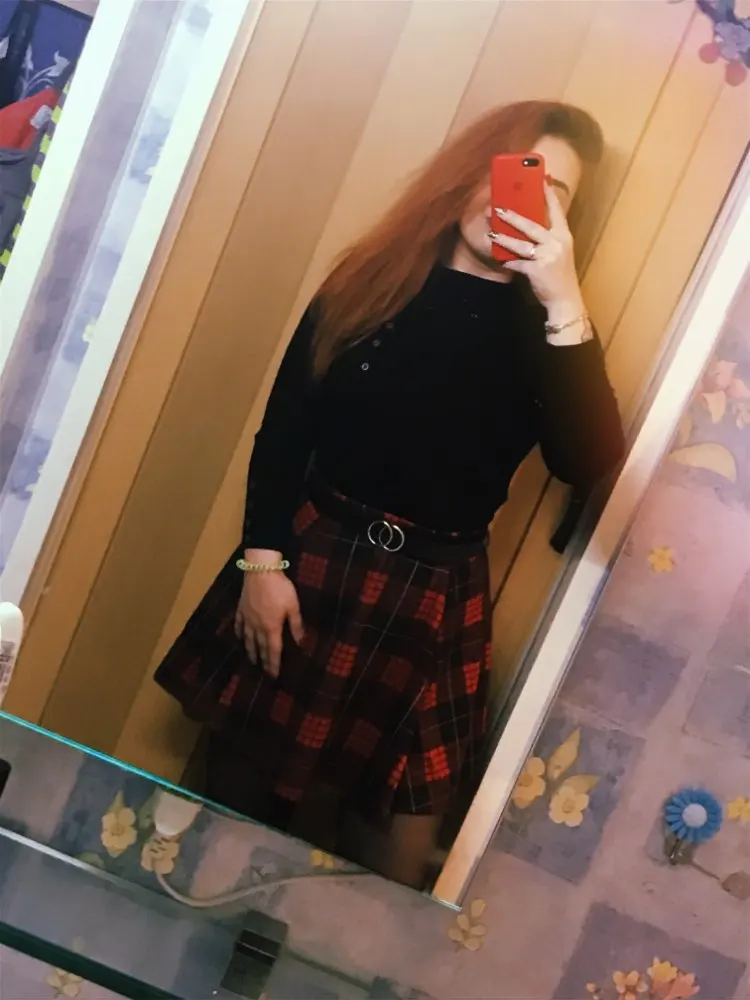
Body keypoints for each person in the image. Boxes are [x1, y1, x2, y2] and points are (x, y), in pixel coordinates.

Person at [155, 99, 625, 887]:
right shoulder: (372, 278)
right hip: (312, 566)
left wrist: (564, 300)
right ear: (471, 171)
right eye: (517, 170)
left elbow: (588, 459)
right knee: (232, 802)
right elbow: (285, 431)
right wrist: (262, 565)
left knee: (391, 863)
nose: (522, 199)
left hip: (435, 601)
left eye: (553, 194)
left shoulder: (549, 329)